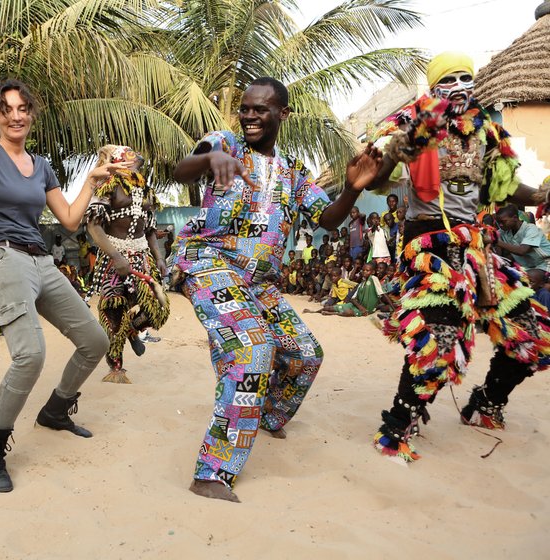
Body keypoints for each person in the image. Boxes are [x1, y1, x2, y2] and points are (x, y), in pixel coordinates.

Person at [170, 76, 381, 502]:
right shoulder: (224, 143)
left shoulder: (292, 173)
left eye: (260, 109)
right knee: (252, 349)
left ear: (282, 114)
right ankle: (211, 472)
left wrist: (355, 189)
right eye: (246, 108)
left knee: (305, 355)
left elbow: (327, 220)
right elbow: (182, 168)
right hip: (211, 263)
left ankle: (262, 415)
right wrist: (212, 162)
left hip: (259, 283)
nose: (249, 116)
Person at [0, 78, 119, 493]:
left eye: (23, 108)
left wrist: (92, 180)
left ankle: (55, 410)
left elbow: (70, 220)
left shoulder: (41, 166)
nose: (16, 115)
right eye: (7, 109)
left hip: (39, 258)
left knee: (95, 341)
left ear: (31, 115)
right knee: (30, 354)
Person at [367, 52, 550, 461]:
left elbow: (506, 187)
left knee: (531, 336)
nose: (460, 85)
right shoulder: (409, 128)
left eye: (467, 77)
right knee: (437, 342)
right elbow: (375, 178)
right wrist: (401, 149)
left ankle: (486, 403)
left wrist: (541, 194)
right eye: (449, 79)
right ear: (433, 89)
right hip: (430, 247)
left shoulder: (485, 132)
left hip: (478, 249)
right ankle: (399, 425)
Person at [84, 144, 170, 384]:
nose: (133, 166)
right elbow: (93, 225)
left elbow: (150, 229)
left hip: (142, 256)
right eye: (127, 162)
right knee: (113, 310)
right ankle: (116, 365)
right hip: (114, 258)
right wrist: (115, 256)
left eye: (135, 163)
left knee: (157, 309)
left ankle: (131, 330)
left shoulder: (146, 191)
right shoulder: (107, 187)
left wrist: (159, 257)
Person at [495, 203, 550, 273]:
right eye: (498, 222)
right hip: (526, 267)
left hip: (545, 263)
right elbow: (499, 256)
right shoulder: (503, 232)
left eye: (503, 222)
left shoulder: (531, 229)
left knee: (529, 278)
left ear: (515, 218)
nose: (500, 225)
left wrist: (495, 241)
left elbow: (522, 251)